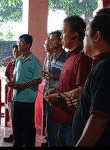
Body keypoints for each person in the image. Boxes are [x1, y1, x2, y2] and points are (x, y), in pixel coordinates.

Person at [45, 15, 92, 147]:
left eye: (64, 32)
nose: (61, 36)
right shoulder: (70, 56)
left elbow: (81, 90)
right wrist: (56, 90)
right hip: (62, 117)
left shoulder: (81, 57)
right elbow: (68, 84)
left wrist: (58, 96)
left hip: (72, 119)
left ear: (75, 35)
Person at [72, 14, 110, 147]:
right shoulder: (100, 63)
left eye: (86, 33)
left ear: (97, 35)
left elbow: (99, 117)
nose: (83, 39)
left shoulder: (105, 67)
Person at [8, 34, 42, 147]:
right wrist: (12, 82)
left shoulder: (34, 61)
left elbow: (38, 79)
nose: (19, 45)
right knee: (17, 125)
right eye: (18, 42)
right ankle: (17, 144)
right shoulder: (18, 59)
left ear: (28, 45)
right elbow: (15, 76)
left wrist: (24, 85)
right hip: (16, 97)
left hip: (27, 99)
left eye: (21, 43)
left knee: (28, 127)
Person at [44, 30, 67, 147]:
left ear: (60, 41)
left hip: (59, 96)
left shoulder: (66, 57)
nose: (50, 42)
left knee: (59, 128)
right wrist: (48, 75)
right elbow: (51, 76)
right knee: (50, 126)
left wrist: (54, 76)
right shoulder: (52, 57)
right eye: (50, 39)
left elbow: (67, 78)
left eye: (53, 39)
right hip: (49, 94)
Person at [3, 44, 21, 143]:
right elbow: (6, 76)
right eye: (14, 51)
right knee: (12, 116)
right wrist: (8, 81)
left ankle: (19, 136)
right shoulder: (11, 64)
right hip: (11, 94)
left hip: (21, 94)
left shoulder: (23, 63)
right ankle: (14, 134)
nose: (16, 53)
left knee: (20, 117)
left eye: (18, 51)